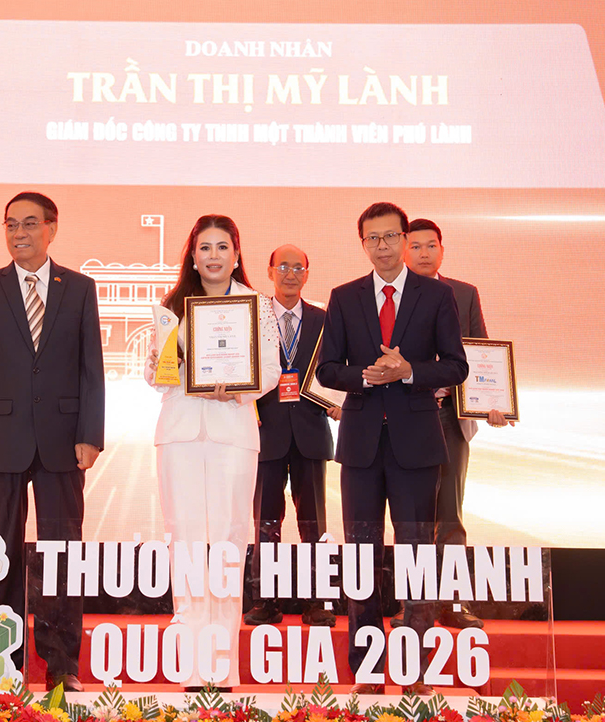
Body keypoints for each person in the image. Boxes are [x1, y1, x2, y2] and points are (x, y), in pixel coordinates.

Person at [316, 202, 468, 695]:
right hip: (361, 444)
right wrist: (364, 376)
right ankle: (367, 670)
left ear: (405, 239)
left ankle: (414, 669)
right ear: (362, 243)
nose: (381, 246)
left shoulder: (437, 295)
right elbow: (327, 369)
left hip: (417, 445)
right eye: (372, 239)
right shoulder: (344, 297)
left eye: (389, 237)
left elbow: (456, 365)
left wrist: (410, 371)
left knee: (416, 556)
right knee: (361, 558)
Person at [0, 191, 105, 692]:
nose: (18, 233)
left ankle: (63, 664)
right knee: (1, 552)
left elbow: (91, 368)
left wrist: (90, 433)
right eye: (10, 225)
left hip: (64, 442)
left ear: (51, 228)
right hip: (0, 441)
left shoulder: (79, 288)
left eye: (29, 224)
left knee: (63, 553)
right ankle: (5, 661)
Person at [144, 215, 280, 689]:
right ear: (193, 255)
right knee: (184, 542)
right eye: (205, 247)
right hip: (180, 434)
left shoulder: (256, 306)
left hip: (232, 435)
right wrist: (166, 366)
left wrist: (238, 388)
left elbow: (269, 370)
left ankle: (219, 666)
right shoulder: (171, 307)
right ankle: (190, 665)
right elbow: (154, 376)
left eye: (223, 247)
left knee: (227, 542)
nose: (214, 256)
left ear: (237, 255)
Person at [400, 218, 514, 630]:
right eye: (416, 246)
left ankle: (451, 601)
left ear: (442, 250)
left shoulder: (463, 294)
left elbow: (482, 353)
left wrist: (493, 404)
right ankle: (413, 607)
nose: (424, 253)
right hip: (406, 416)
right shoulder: (391, 295)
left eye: (431, 245)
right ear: (404, 250)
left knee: (450, 513)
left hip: (449, 416)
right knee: (412, 518)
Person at [244, 245, 341, 628]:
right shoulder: (253, 317)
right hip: (265, 431)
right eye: (282, 266)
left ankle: (318, 601)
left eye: (298, 267)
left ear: (307, 274)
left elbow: (337, 368)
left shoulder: (324, 319)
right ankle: (264, 600)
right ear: (269, 271)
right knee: (265, 522)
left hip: (311, 431)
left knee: (314, 523)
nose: (290, 273)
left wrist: (340, 401)